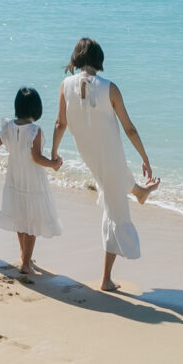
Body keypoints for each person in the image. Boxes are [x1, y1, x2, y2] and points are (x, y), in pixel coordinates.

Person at [54, 37, 159, 293]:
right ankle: (106, 280)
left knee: (113, 191)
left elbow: (60, 124)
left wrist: (54, 153)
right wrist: (145, 157)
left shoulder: (65, 85)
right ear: (99, 59)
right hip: (110, 153)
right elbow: (129, 128)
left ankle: (139, 191)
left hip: (88, 154)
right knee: (116, 213)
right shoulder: (110, 88)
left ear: (77, 58)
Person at [0, 86, 64, 276]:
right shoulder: (34, 130)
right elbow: (36, 158)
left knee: (20, 218)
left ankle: (25, 256)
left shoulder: (9, 126)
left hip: (15, 177)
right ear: (36, 108)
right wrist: (53, 164)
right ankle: (25, 263)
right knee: (31, 220)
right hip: (32, 179)